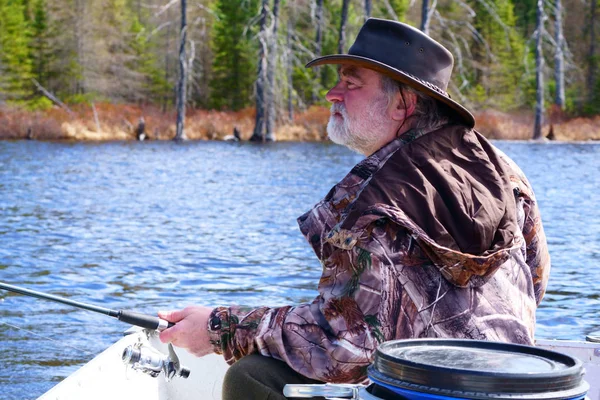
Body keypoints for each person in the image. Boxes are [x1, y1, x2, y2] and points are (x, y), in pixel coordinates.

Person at [158, 18, 550, 399]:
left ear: (403, 103)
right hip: (520, 386)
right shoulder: (502, 170)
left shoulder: (376, 200)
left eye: (350, 83)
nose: (332, 93)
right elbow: (536, 281)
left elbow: (340, 350)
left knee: (253, 378)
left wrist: (216, 328)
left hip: (433, 393)